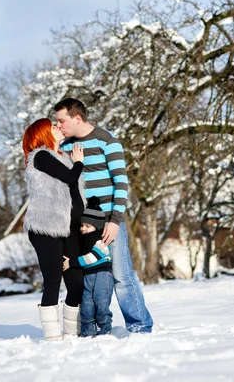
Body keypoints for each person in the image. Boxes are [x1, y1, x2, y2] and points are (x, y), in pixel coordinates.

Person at [55, 98, 153, 334]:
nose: (58, 125)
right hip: (81, 225)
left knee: (121, 274)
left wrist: (115, 220)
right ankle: (92, 326)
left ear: (77, 118)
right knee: (86, 275)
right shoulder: (66, 146)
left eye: (61, 121)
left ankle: (140, 326)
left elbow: (121, 182)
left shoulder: (107, 140)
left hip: (108, 221)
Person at [22, 117, 86, 340]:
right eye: (52, 126)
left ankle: (73, 334)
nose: (58, 127)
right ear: (41, 134)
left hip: (69, 229)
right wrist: (79, 163)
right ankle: (52, 338)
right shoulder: (40, 156)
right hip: (45, 228)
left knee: (76, 282)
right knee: (52, 281)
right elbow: (70, 178)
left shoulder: (65, 159)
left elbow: (74, 191)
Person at [63, 196, 114, 337]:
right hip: (87, 276)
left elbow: (91, 258)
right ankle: (88, 332)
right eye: (82, 225)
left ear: (96, 226)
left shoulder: (101, 242)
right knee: (86, 306)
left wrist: (71, 262)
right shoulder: (83, 242)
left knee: (101, 304)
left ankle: (105, 332)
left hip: (102, 276)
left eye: (87, 226)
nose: (83, 229)